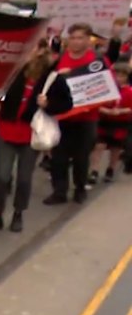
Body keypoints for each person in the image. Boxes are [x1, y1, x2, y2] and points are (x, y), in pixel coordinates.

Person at [0, 44, 73, 233]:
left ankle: (18, 214)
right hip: (7, 130)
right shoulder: (13, 72)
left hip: (30, 136)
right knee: (1, 177)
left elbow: (67, 104)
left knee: (24, 178)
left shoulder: (52, 78)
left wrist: (48, 104)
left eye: (34, 48)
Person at [46, 23, 108, 205]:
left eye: (80, 38)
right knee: (59, 158)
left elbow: (107, 87)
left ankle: (80, 189)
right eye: (72, 38)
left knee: (81, 157)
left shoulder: (97, 60)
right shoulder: (60, 60)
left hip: (86, 119)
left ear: (88, 40)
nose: (76, 41)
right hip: (61, 118)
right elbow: (48, 84)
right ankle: (59, 191)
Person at [90, 62, 132, 183]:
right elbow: (96, 105)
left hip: (120, 123)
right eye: (116, 75)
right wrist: (107, 111)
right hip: (104, 121)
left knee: (115, 148)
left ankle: (111, 169)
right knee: (99, 146)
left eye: (122, 75)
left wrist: (120, 111)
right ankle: (94, 171)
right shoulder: (105, 89)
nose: (118, 78)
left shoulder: (129, 91)